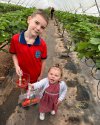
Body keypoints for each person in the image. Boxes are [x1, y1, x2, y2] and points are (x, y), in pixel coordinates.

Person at [9, 10, 49, 87]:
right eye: (36, 23)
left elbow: (43, 61)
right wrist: (16, 66)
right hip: (22, 74)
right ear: (29, 19)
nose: (38, 28)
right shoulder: (15, 39)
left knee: (31, 92)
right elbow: (14, 54)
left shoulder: (42, 44)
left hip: (35, 76)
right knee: (23, 89)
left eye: (42, 27)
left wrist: (40, 75)